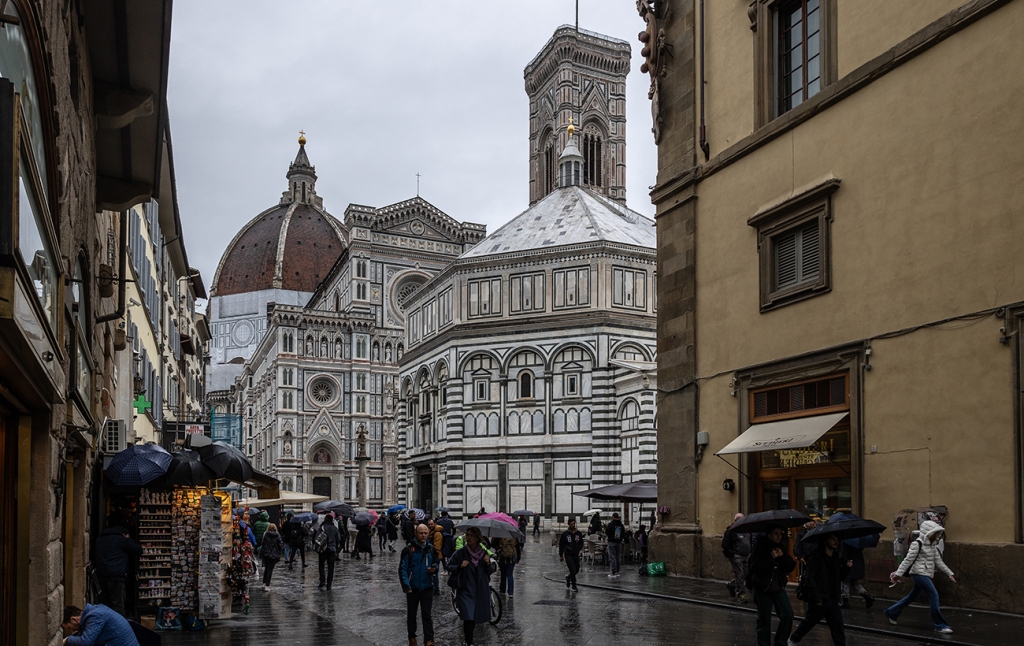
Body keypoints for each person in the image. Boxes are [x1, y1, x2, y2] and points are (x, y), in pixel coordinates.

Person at [884, 520, 955, 634]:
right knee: (933, 595)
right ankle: (940, 625)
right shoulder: (917, 544)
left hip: (926, 574)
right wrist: (898, 575)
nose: (936, 536)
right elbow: (907, 560)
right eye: (934, 533)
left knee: (912, 597)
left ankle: (891, 612)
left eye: (937, 533)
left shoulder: (932, 546)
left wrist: (949, 573)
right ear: (928, 533)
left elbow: (938, 561)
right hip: (918, 574)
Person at [788, 534, 851, 646]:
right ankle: (793, 639)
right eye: (832, 538)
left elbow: (839, 577)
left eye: (837, 538)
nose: (836, 541)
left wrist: (846, 568)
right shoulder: (816, 557)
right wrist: (817, 598)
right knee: (809, 622)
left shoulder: (835, 557)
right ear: (825, 540)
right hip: (820, 598)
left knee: (838, 629)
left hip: (833, 599)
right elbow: (809, 577)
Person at [447, 526, 496, 646]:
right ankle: (469, 642)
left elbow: (489, 571)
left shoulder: (483, 552)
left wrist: (488, 563)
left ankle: (468, 640)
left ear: (477, 538)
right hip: (466, 588)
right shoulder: (461, 552)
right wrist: (460, 566)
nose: (468, 537)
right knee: (468, 615)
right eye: (467, 535)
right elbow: (449, 566)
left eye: (471, 535)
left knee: (474, 616)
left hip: (480, 589)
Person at [748, 524, 796, 646]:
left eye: (780, 534)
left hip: (778, 587)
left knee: (788, 614)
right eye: (776, 534)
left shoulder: (780, 547)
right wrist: (770, 558)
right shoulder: (760, 547)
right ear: (769, 534)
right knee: (764, 620)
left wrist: (782, 556)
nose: (779, 536)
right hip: (763, 587)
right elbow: (756, 568)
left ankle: (781, 642)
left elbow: (790, 566)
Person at [93, 515, 142, 617]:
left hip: (101, 576)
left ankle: (107, 628)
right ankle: (119, 629)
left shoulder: (100, 539)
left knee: (105, 605)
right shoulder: (121, 539)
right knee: (118, 605)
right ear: (124, 533)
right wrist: (128, 539)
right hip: (116, 576)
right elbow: (138, 549)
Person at [400, 524, 440, 646]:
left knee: (426, 614)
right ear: (416, 534)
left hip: (427, 586)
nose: (423, 535)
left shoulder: (431, 549)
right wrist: (406, 585)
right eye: (421, 533)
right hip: (413, 588)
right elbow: (403, 569)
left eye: (425, 533)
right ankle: (412, 637)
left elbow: (436, 563)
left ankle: (429, 639)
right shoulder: (408, 550)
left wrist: (435, 569)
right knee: (412, 614)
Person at [62, 604, 139, 646]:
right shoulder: (95, 611)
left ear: (74, 620)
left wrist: (66, 640)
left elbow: (85, 642)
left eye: (69, 627)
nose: (71, 630)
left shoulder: (95, 616)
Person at [722, 513, 751, 601]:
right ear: (736, 521)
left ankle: (732, 585)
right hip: (737, 556)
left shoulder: (747, 530)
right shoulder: (731, 530)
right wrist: (732, 554)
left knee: (745, 574)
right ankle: (741, 595)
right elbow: (725, 544)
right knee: (740, 574)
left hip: (746, 555)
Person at [840, 544, 873, 608]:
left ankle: (845, 600)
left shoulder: (847, 541)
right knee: (854, 582)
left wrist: (842, 560)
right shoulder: (858, 542)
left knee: (845, 581)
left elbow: (843, 553)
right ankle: (866, 596)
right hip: (858, 561)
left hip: (850, 563)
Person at [317, 513, 342, 590]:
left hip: (323, 549)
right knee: (331, 567)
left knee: (321, 565)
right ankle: (329, 584)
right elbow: (339, 539)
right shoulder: (334, 528)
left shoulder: (322, 527)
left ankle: (322, 581)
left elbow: (317, 537)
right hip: (332, 549)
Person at [559, 518, 584, 593]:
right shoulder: (565, 534)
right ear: (569, 524)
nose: (573, 525)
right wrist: (561, 555)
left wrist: (578, 548)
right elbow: (561, 545)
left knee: (577, 569)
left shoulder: (578, 533)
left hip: (575, 554)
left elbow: (581, 542)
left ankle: (568, 577)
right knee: (572, 569)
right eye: (571, 524)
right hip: (568, 554)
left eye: (574, 523)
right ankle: (573, 585)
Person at [260, 523, 285, 591]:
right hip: (274, 555)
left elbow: (263, 544)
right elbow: (281, 545)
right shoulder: (278, 536)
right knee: (270, 570)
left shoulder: (266, 535)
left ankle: (264, 583)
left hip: (266, 555)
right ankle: (267, 585)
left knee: (266, 569)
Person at [605, 512, 625, 577]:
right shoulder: (621, 525)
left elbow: (607, 532)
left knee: (612, 556)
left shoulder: (611, 524)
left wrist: (610, 536)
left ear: (613, 517)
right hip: (619, 542)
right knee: (618, 556)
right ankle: (618, 570)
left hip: (612, 541)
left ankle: (614, 571)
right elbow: (623, 533)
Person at [428, 519, 444, 594]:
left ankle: (436, 588)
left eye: (431, 524)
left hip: (436, 555)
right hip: (431, 555)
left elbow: (437, 547)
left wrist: (433, 554)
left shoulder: (437, 533)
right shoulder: (431, 532)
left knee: (435, 572)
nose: (430, 526)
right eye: (429, 524)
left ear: (435, 524)